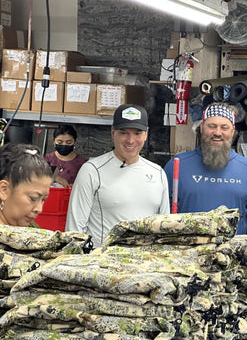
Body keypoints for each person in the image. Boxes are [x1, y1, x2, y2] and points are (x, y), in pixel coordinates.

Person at [65, 104, 170, 247]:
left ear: (146, 134)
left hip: (144, 263)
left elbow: (163, 229)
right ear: (112, 132)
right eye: (124, 133)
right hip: (102, 263)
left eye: (137, 133)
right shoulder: (92, 170)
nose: (131, 140)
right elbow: (74, 230)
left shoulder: (157, 173)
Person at [164, 102, 247, 235]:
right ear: (202, 128)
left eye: (224, 127)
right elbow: (161, 214)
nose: (217, 132)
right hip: (188, 253)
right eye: (212, 126)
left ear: (232, 131)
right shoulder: (177, 165)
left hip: (231, 254)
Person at [0, 143, 52, 228]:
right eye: (33, 198)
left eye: (43, 200)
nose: (39, 209)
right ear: (4, 190)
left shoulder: (32, 229)